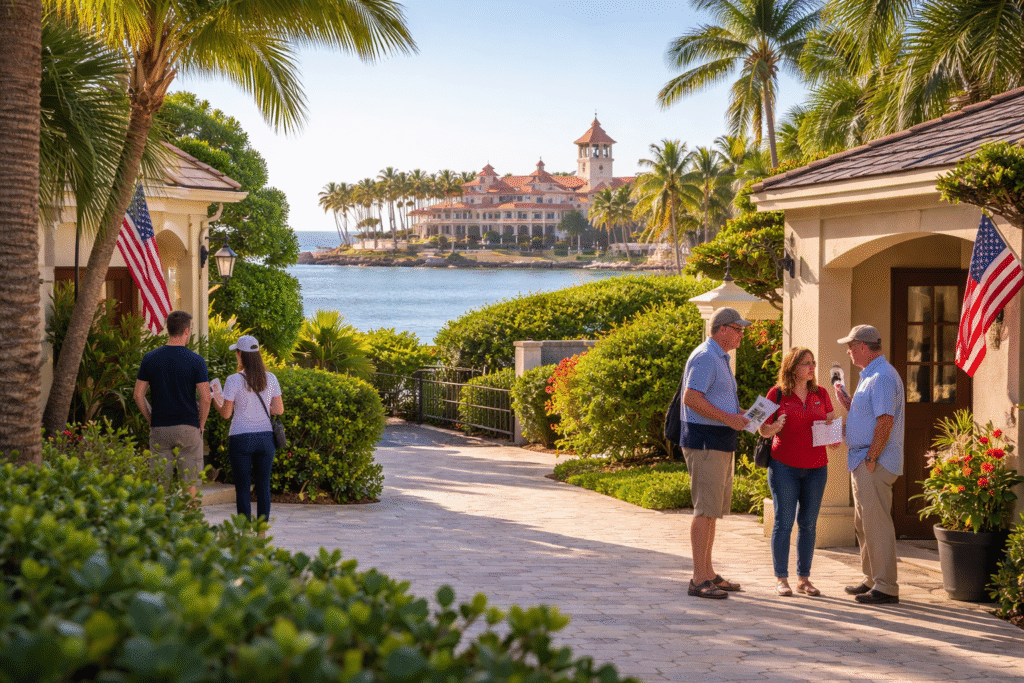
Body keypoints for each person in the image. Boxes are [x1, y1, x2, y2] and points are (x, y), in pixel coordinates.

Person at [680, 306, 751, 599]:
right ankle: (698, 579)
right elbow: (691, 398)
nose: (741, 334)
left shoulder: (719, 357)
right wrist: (728, 418)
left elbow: (715, 400)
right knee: (704, 510)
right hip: (706, 441)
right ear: (722, 328)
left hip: (719, 441)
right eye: (738, 329)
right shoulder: (707, 356)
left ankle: (708, 572)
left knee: (712, 512)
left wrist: (742, 415)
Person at [833, 324, 905, 605]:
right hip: (862, 460)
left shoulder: (883, 377)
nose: (848, 352)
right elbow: (873, 415)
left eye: (850, 346)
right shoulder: (872, 376)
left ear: (863, 346)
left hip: (873, 460)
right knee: (864, 523)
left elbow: (885, 421)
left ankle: (886, 586)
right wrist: (851, 404)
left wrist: (872, 458)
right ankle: (872, 578)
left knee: (876, 524)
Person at [758, 348, 836, 597]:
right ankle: (781, 578)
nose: (812, 367)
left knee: (809, 524)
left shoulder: (821, 393)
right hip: (784, 466)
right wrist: (774, 427)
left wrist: (833, 436)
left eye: (813, 363)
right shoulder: (777, 393)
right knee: (783, 522)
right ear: (792, 368)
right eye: (806, 364)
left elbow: (831, 423)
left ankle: (804, 579)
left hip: (816, 467)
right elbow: (761, 429)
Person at [134, 310, 211, 494]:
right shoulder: (196, 360)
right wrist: (201, 423)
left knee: (160, 483)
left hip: (160, 427)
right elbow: (206, 398)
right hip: (188, 427)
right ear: (186, 331)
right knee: (190, 482)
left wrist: (149, 418)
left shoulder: (150, 358)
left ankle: (162, 520)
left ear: (168, 330)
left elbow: (138, 395)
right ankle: (189, 519)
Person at [213, 334, 284, 524]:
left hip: (240, 438)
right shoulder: (271, 378)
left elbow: (226, 414)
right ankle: (261, 532)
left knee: (243, 487)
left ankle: (244, 532)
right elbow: (279, 409)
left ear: (239, 355)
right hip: (265, 438)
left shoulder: (233, 380)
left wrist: (216, 400)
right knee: (263, 486)